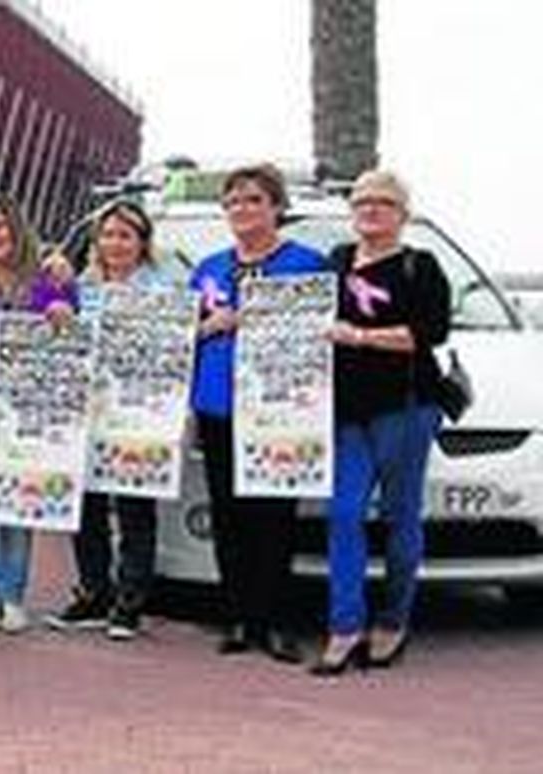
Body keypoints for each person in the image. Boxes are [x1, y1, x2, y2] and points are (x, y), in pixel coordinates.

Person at [311, 170, 449, 675]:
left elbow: (428, 333)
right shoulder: (338, 261)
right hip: (348, 412)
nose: (371, 210)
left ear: (402, 215)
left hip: (407, 408)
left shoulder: (420, 266)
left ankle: (393, 619)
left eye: (384, 203)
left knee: (400, 515)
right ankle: (344, 625)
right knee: (344, 513)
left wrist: (360, 338)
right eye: (363, 201)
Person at [187, 163, 327, 662]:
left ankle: (277, 621)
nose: (243, 210)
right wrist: (210, 327)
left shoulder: (307, 263)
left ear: (276, 207)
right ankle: (238, 617)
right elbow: (184, 330)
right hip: (218, 402)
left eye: (253, 200)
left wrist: (246, 317)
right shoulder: (208, 268)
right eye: (234, 202)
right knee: (229, 514)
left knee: (274, 515)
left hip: (280, 407)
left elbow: (317, 321)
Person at [44, 200, 166, 641]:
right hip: (85, 413)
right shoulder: (84, 284)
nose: (115, 244)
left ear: (142, 243)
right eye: (108, 235)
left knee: (135, 506)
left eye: (125, 236)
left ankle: (130, 602)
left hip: (137, 413)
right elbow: (40, 306)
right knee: (86, 506)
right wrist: (53, 289)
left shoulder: (162, 288)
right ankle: (94, 591)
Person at [0, 192, 71, 633]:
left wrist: (64, 308)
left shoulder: (47, 277)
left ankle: (13, 592)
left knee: (18, 499)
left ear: (16, 228)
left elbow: (72, 333)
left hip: (25, 410)